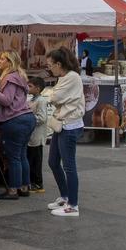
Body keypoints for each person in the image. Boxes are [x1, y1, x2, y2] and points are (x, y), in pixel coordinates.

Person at [0, 51, 36, 199]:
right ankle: (24, 187)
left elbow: (6, 100)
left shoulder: (10, 78)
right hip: (26, 118)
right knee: (21, 155)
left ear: (9, 62)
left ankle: (13, 190)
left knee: (14, 157)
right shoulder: (20, 77)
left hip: (15, 121)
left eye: (2, 59)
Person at [44, 48, 85, 217]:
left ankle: (73, 205)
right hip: (61, 124)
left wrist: (53, 95)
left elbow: (54, 97)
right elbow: (56, 96)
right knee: (53, 162)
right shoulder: (64, 78)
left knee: (69, 166)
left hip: (70, 126)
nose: (49, 68)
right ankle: (65, 196)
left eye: (50, 65)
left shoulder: (72, 77)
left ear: (59, 64)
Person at [26, 76, 49, 194]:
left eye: (30, 86)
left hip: (37, 136)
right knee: (31, 159)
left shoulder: (41, 101)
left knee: (36, 161)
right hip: (31, 136)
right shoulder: (32, 99)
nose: (27, 88)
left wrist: (29, 118)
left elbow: (42, 118)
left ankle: (38, 183)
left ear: (38, 88)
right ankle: (32, 182)